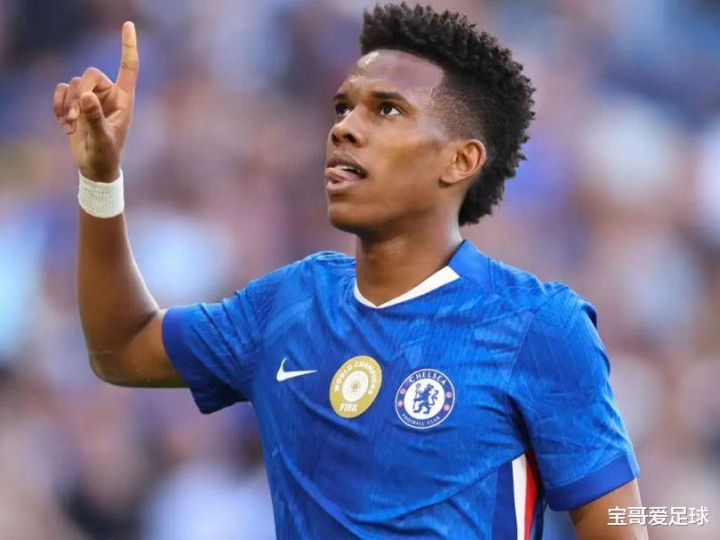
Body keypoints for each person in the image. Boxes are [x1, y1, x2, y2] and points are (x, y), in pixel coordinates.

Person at [53, 3, 646, 538]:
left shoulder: (538, 325)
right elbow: (121, 348)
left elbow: (617, 523)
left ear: (460, 160)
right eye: (343, 107)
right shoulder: (287, 305)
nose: (343, 128)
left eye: (386, 110)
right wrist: (100, 178)